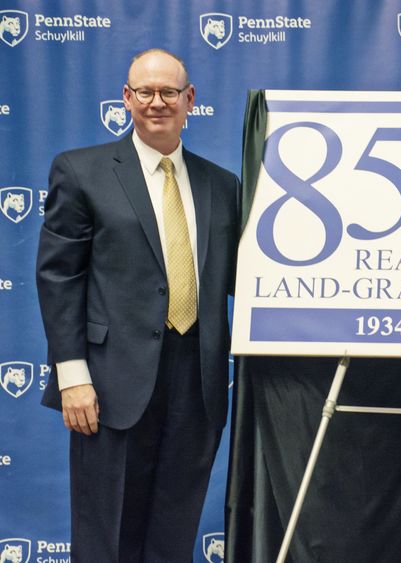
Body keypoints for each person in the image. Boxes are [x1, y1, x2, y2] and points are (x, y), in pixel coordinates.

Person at [36, 48, 239, 562]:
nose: (157, 102)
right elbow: (59, 275)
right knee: (107, 533)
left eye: (169, 91)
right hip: (108, 384)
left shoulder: (223, 185)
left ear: (189, 99)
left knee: (174, 531)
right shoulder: (82, 171)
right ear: (126, 98)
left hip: (197, 382)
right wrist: (71, 375)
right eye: (144, 92)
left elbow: (240, 277)